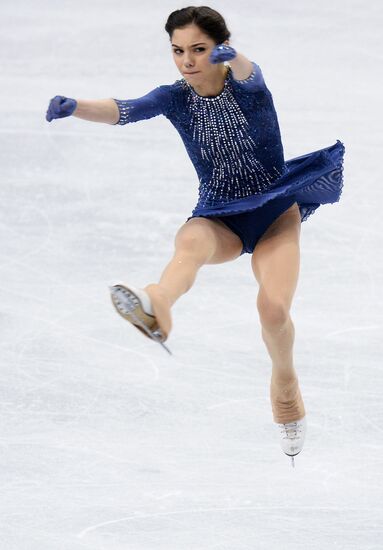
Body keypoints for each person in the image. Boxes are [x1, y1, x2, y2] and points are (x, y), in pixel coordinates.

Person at [46, 6, 345, 465]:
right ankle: (157, 304)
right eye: (178, 51)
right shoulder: (174, 97)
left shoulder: (248, 86)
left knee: (272, 307)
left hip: (272, 211)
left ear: (219, 47)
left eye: (199, 50)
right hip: (219, 213)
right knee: (189, 244)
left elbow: (250, 72)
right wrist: (76, 108)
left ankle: (285, 382)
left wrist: (236, 55)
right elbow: (123, 110)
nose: (186, 60)